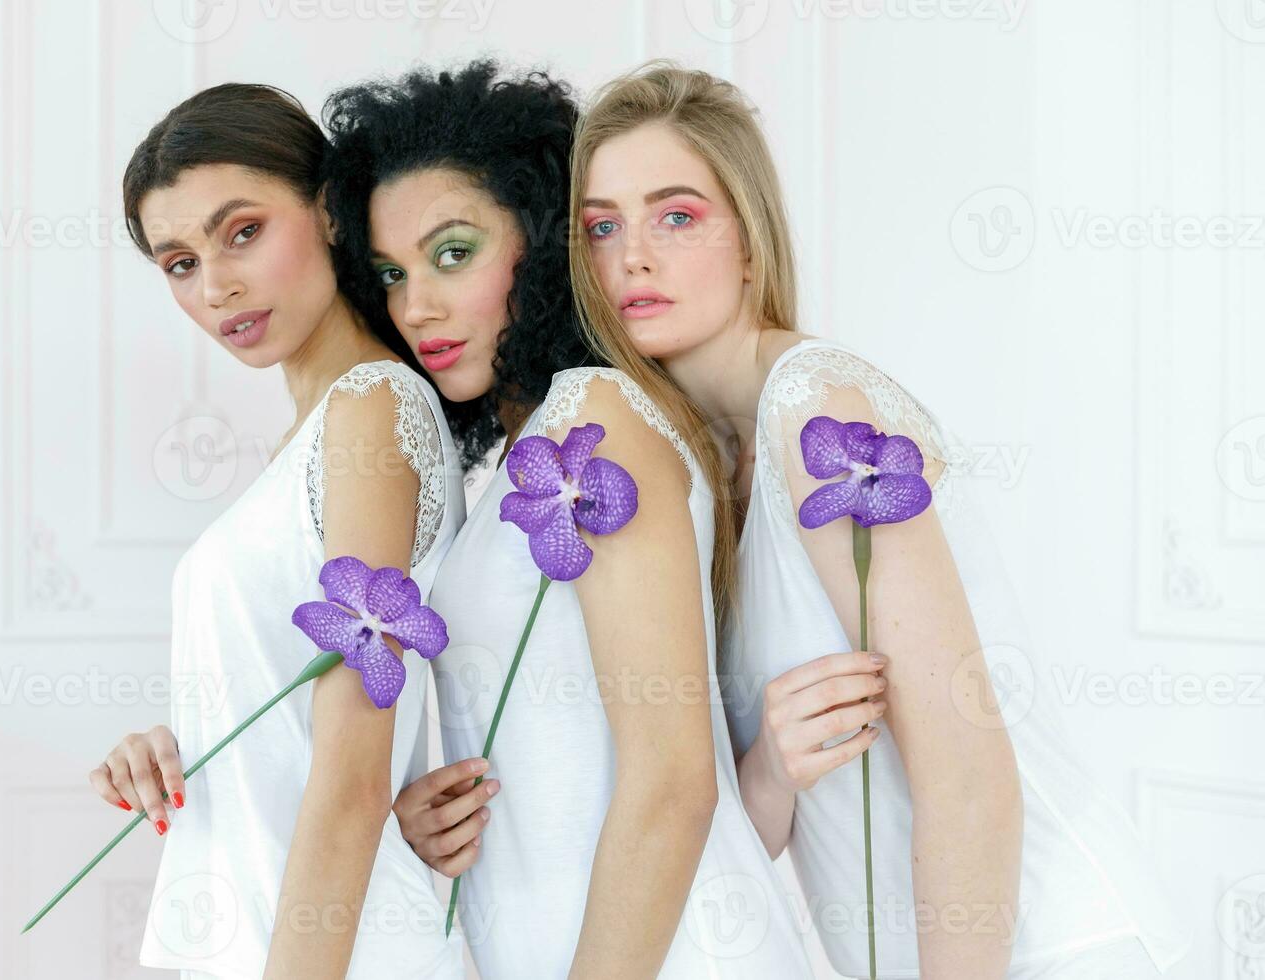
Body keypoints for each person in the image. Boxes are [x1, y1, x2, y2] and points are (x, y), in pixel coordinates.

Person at [568, 59, 1191, 979]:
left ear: (750, 236)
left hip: (1051, 945)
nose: (634, 256)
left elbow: (971, 778)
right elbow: (763, 831)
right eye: (602, 227)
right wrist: (775, 771)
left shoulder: (813, 407)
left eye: (677, 215)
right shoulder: (697, 468)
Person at [324, 60, 815, 978]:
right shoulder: (509, 472)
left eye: (454, 251)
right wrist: (435, 811)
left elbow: (672, 786)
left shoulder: (598, 416)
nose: (415, 304)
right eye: (390, 272)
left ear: (545, 243)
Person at [90, 82, 467, 979]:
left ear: (330, 212)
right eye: (179, 262)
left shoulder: (371, 412)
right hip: (275, 933)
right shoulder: (312, 439)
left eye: (243, 232)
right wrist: (192, 741)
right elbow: (298, 731)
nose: (217, 285)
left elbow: (349, 777)